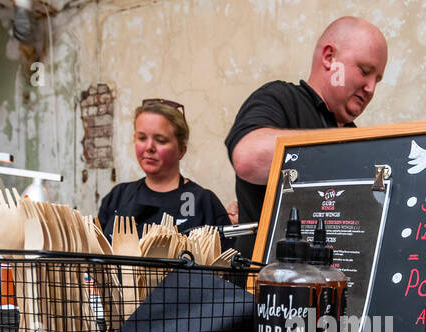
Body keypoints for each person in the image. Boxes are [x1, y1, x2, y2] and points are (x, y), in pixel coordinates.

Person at [224, 16, 389, 238]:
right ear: (329, 57)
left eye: (377, 79)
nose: (370, 88)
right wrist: (346, 149)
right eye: (364, 70)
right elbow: (248, 158)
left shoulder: (353, 135)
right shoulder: (279, 98)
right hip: (268, 271)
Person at [97, 99, 230, 240]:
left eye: (160, 140)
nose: (149, 147)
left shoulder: (201, 202)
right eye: (142, 138)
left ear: (181, 149)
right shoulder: (118, 196)